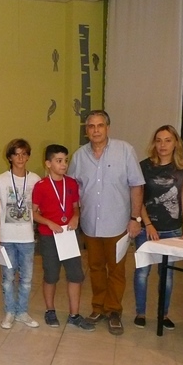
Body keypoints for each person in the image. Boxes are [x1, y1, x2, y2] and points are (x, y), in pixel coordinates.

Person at [69, 110, 145, 335]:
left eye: (100, 125)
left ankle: (113, 311)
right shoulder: (79, 156)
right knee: (95, 268)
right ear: (86, 130)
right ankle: (98, 307)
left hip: (118, 223)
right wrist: (75, 214)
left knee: (116, 270)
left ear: (107, 128)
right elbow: (72, 189)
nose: (95, 130)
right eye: (91, 126)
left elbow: (137, 185)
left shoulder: (125, 150)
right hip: (90, 224)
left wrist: (135, 218)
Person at [133, 125, 183, 330]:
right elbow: (138, 199)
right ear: (154, 143)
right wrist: (148, 224)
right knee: (142, 273)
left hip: (172, 230)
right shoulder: (144, 167)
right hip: (146, 229)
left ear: (176, 143)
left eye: (168, 140)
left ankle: (163, 315)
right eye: (159, 140)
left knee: (167, 275)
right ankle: (140, 313)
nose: (162, 145)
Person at [32, 144, 95, 331]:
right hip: (49, 236)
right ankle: (50, 310)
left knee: (75, 275)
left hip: (69, 235)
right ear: (48, 163)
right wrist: (49, 223)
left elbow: (75, 206)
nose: (64, 164)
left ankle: (74, 315)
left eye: (65, 160)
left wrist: (75, 217)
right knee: (51, 275)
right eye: (59, 161)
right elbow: (33, 213)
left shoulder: (72, 183)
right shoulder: (41, 186)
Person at [0, 139, 41, 329]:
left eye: (24, 154)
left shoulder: (35, 179)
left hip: (27, 237)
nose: (20, 158)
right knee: (8, 278)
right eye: (16, 154)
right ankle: (10, 312)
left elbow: (39, 207)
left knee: (26, 279)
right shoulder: (1, 180)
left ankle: (22, 312)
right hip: (6, 237)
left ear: (28, 157)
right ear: (10, 157)